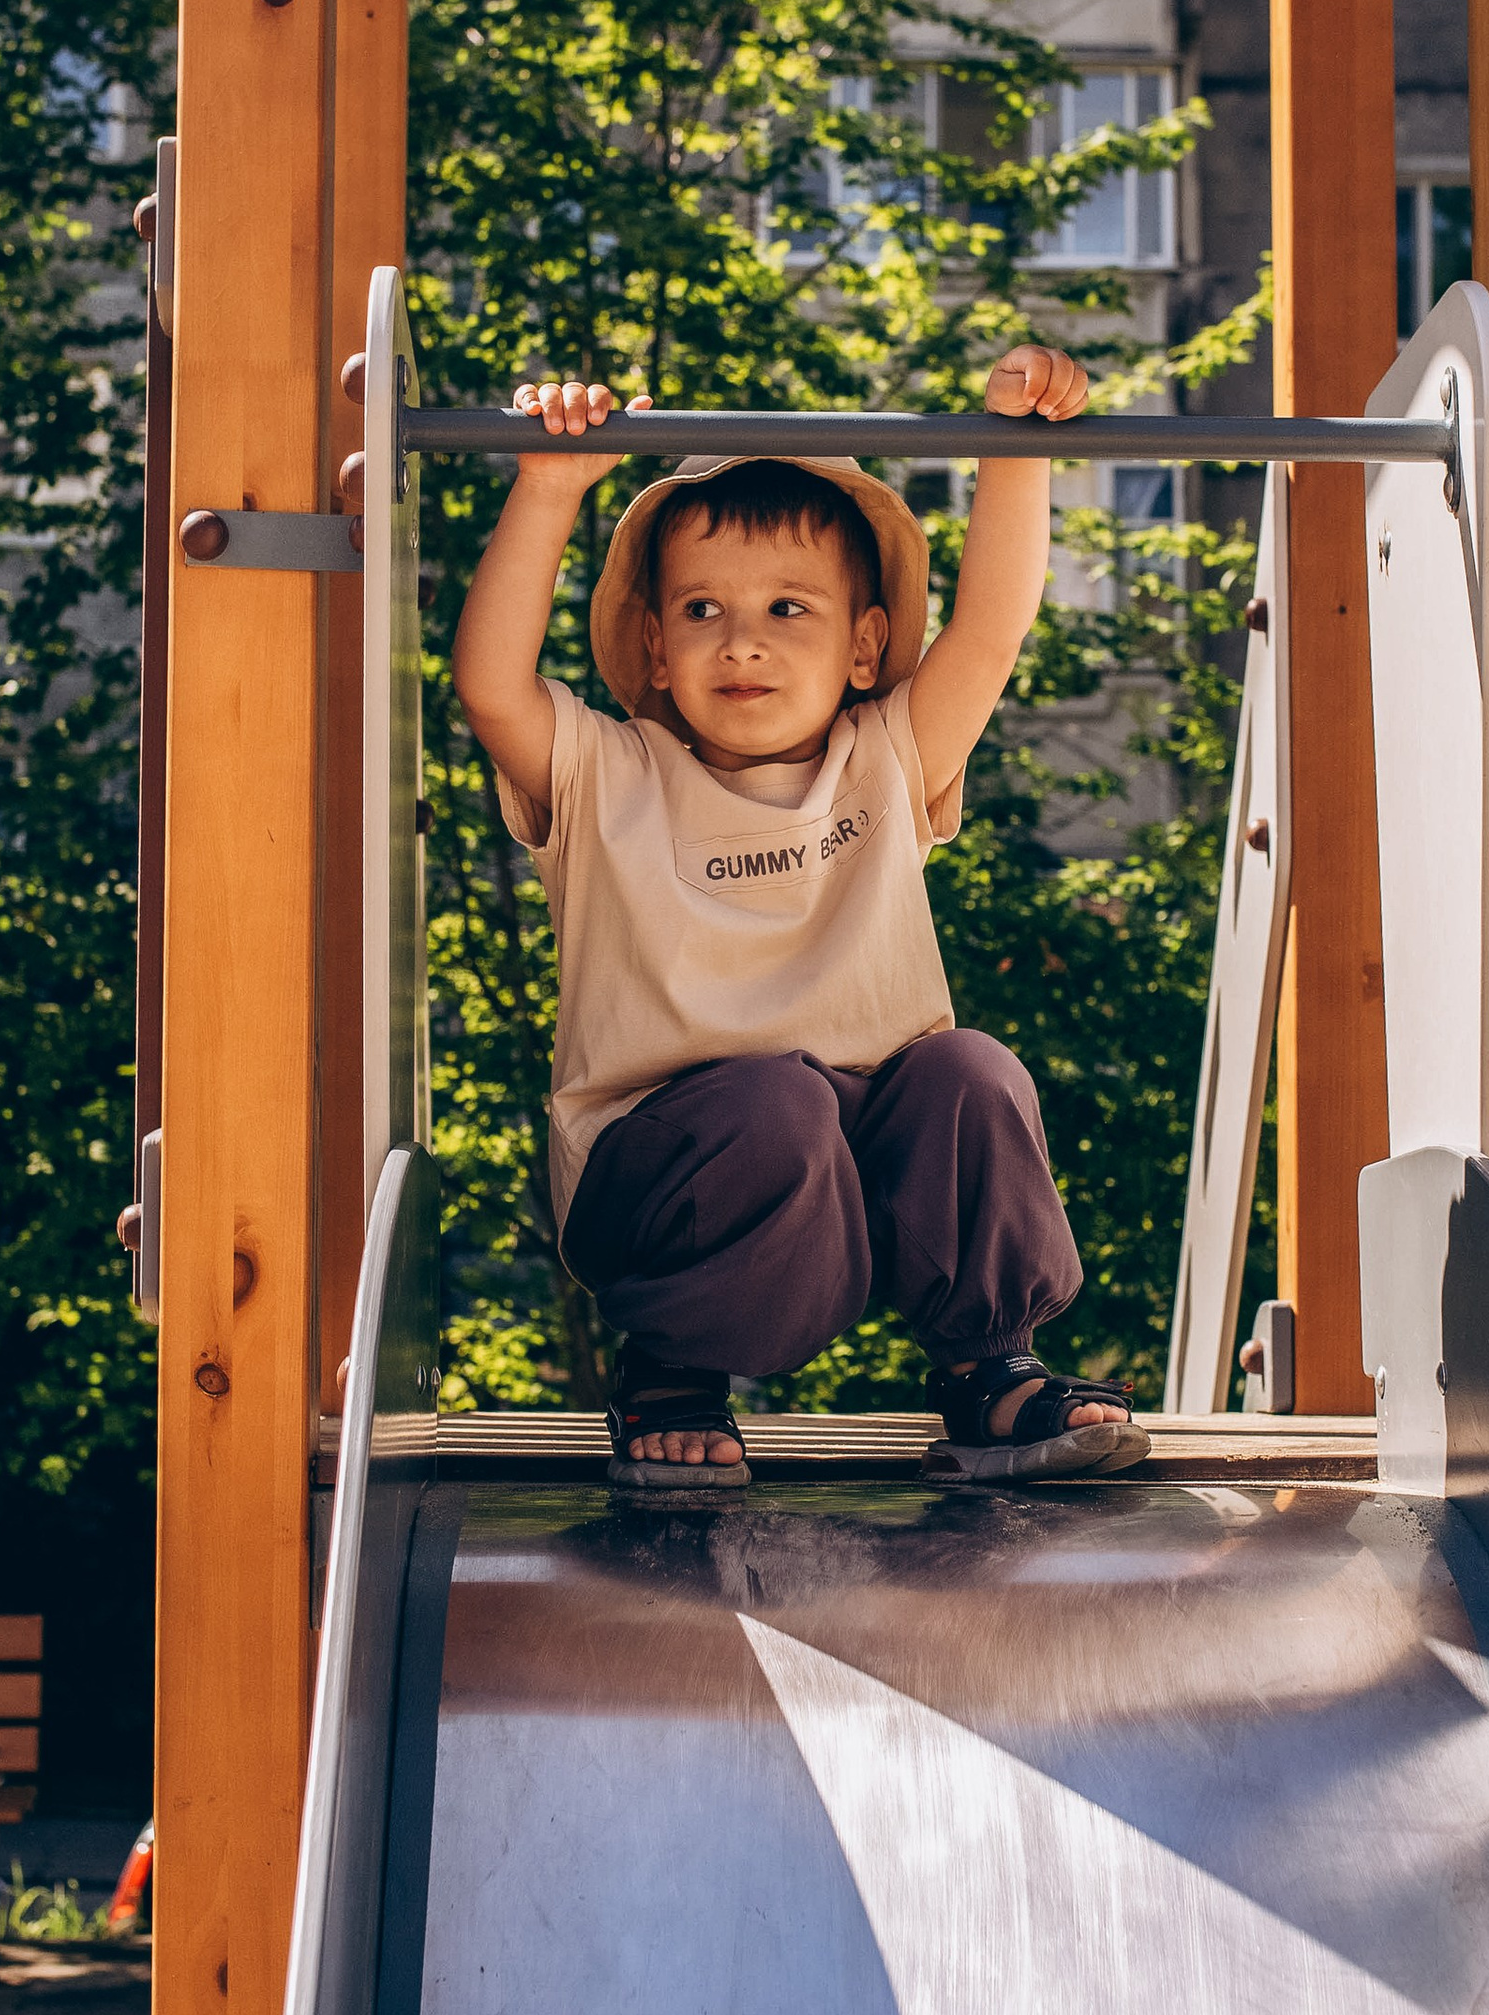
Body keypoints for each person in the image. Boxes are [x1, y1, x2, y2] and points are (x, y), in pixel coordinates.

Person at [452, 345, 1154, 1494]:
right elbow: (491, 685)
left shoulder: (885, 758)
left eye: (790, 608)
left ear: (865, 646)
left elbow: (989, 633)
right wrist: (546, 483)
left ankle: (990, 1368)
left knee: (968, 1070)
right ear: (655, 651)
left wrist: (1017, 448)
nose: (744, 640)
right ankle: (673, 1369)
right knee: (775, 1096)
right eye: (702, 610)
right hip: (667, 1177)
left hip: (866, 1169)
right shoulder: (602, 773)